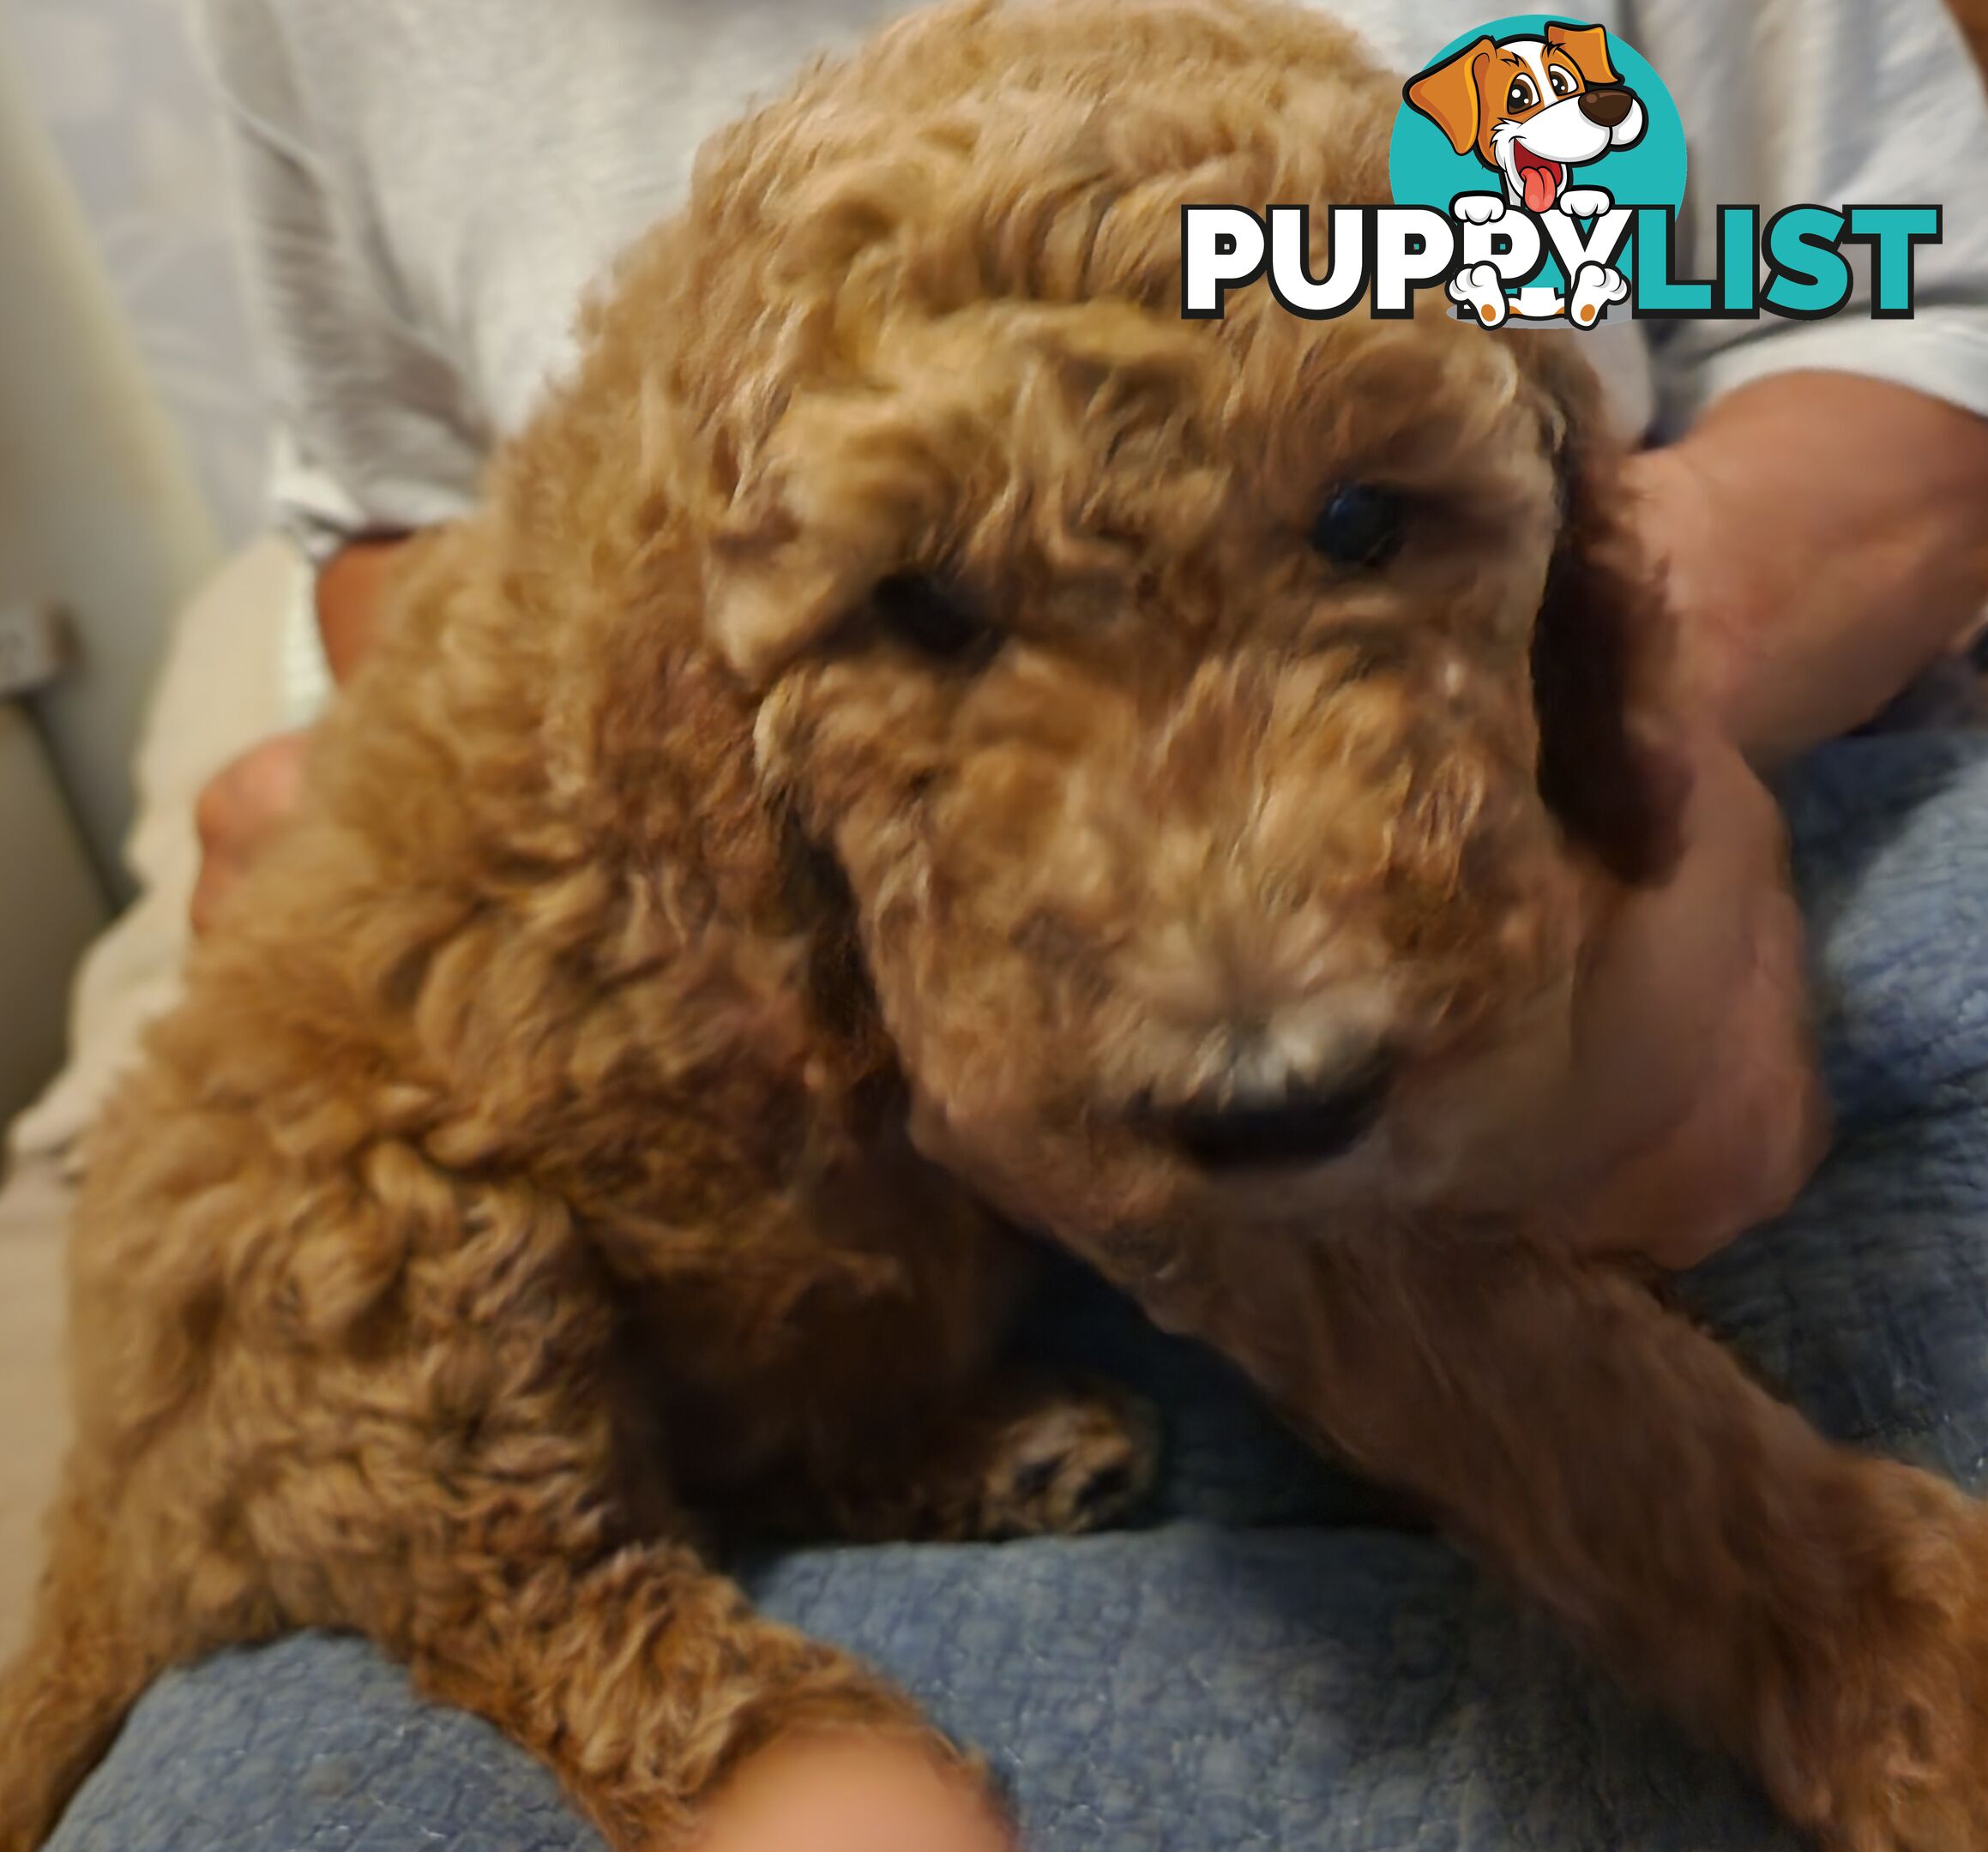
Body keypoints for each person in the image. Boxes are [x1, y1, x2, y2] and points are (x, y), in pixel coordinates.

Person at [158, 0, 1988, 1846]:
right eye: (933, 610)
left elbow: (1903, 299)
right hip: (850, 1218)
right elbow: (392, 527)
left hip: (1705, 893)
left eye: (1359, 519)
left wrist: (1657, 707)